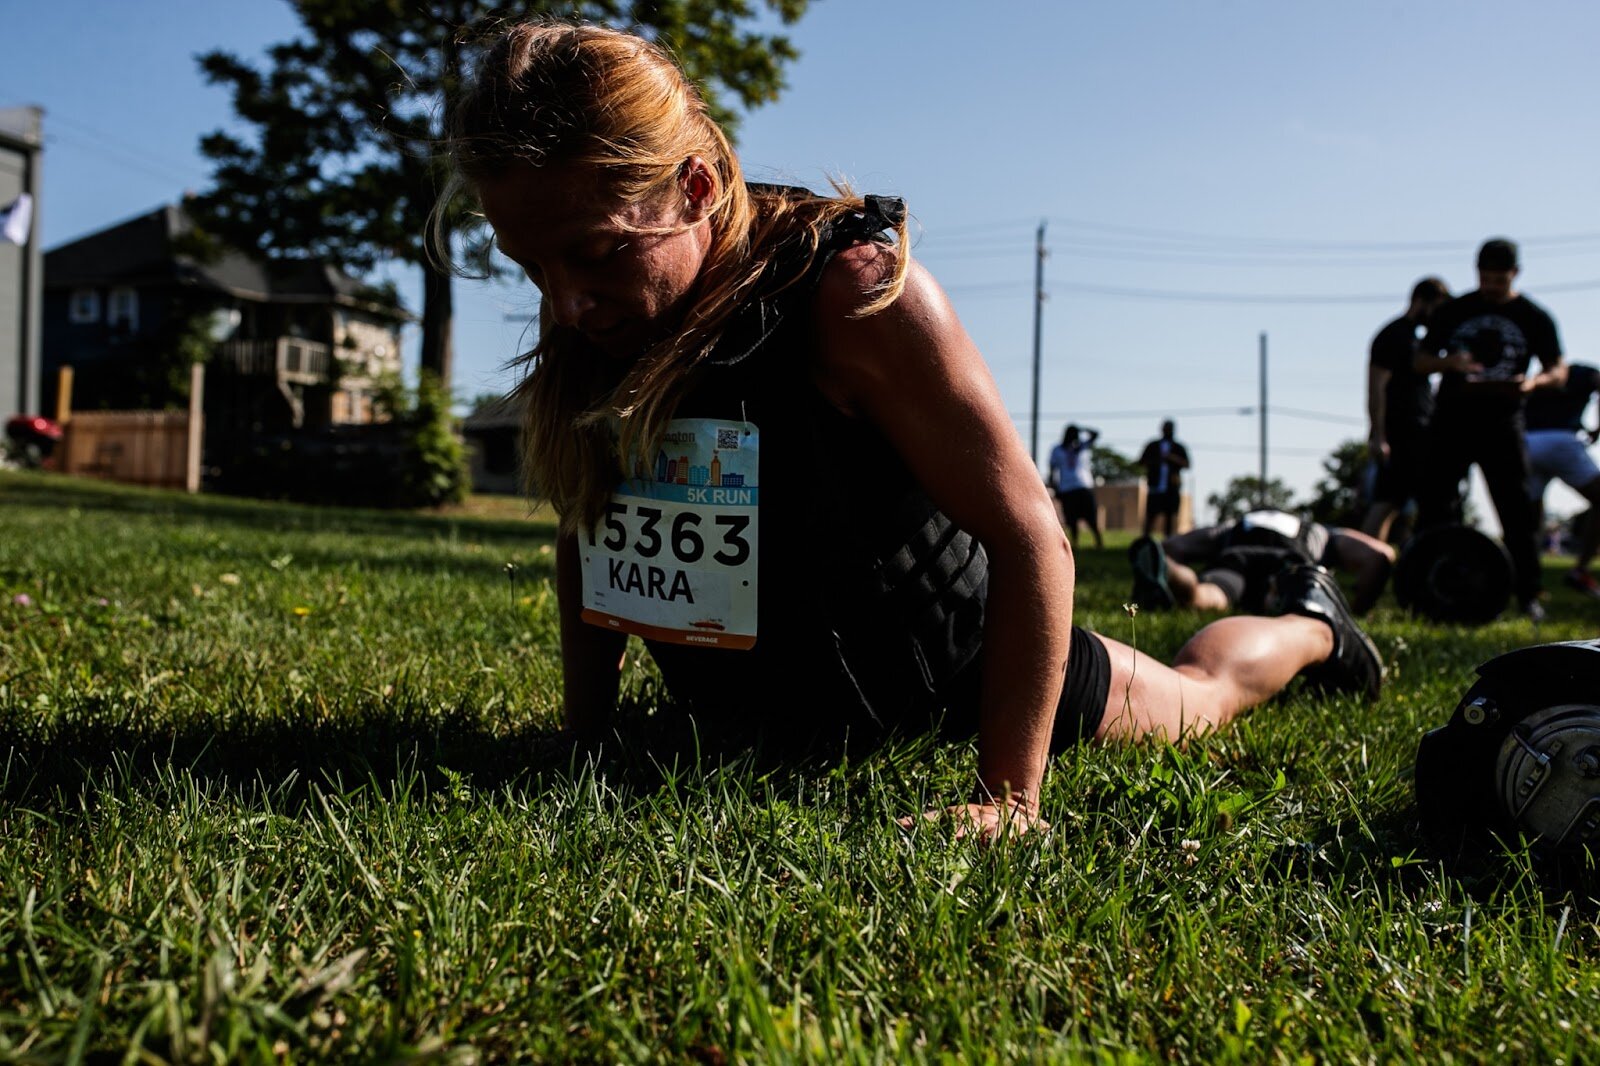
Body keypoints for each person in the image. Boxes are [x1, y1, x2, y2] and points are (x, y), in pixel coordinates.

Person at [442, 20, 1384, 842]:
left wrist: (1008, 797)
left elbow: (1035, 537)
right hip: (778, 713)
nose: (563, 303)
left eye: (598, 251)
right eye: (529, 266)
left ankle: (1310, 624)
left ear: (693, 187)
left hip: (966, 674)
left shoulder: (853, 296)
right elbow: (596, 532)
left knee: (1204, 695)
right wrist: (585, 735)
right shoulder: (608, 315)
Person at [1414, 238, 1567, 619]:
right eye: (1485, 278)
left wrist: (1533, 384)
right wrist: (1451, 364)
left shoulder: (1534, 316)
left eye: (1499, 279)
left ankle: (1528, 593)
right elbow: (1420, 361)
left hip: (1503, 421)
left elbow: (1558, 371)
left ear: (1514, 274)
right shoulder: (1455, 310)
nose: (1492, 286)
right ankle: (1426, 589)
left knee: (1516, 508)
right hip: (1452, 420)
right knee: (1435, 505)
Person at [1129, 509, 1396, 616]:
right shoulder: (1321, 532)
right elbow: (1380, 555)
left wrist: (1166, 555)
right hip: (1292, 561)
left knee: (1211, 594)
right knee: (1296, 599)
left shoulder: (1233, 526)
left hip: (1237, 558)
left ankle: (1173, 575)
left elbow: (1176, 545)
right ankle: (1279, 600)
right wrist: (1355, 612)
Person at [1362, 277, 1451, 542]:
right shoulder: (1394, 335)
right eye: (1437, 307)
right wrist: (1378, 435)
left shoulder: (1416, 338)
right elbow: (1376, 387)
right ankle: (1367, 561)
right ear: (1420, 301)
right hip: (1401, 430)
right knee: (1387, 501)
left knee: (1399, 502)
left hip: (1419, 429)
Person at [1525, 362, 1600, 599]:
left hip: (1527, 442)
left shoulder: (1539, 377)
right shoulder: (1583, 372)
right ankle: (1580, 570)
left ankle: (1529, 581)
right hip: (1560, 440)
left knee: (1531, 516)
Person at [1047, 424, 1103, 549]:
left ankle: (1099, 542)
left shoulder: (1081, 447)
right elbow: (1052, 469)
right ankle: (1075, 543)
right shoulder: (1057, 450)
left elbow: (1096, 434)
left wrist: (1081, 429)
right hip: (1067, 488)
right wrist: (1055, 487)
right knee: (1071, 519)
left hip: (1083, 486)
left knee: (1091, 517)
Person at [1138, 420, 1190, 537]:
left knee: (1171, 517)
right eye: (1166, 428)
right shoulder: (1153, 446)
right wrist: (1157, 460)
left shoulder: (1178, 447)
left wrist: (1171, 458)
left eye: (1170, 428)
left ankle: (1169, 543)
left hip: (1172, 489)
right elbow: (1141, 462)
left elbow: (1187, 464)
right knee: (1150, 516)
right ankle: (1145, 542)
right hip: (1155, 487)